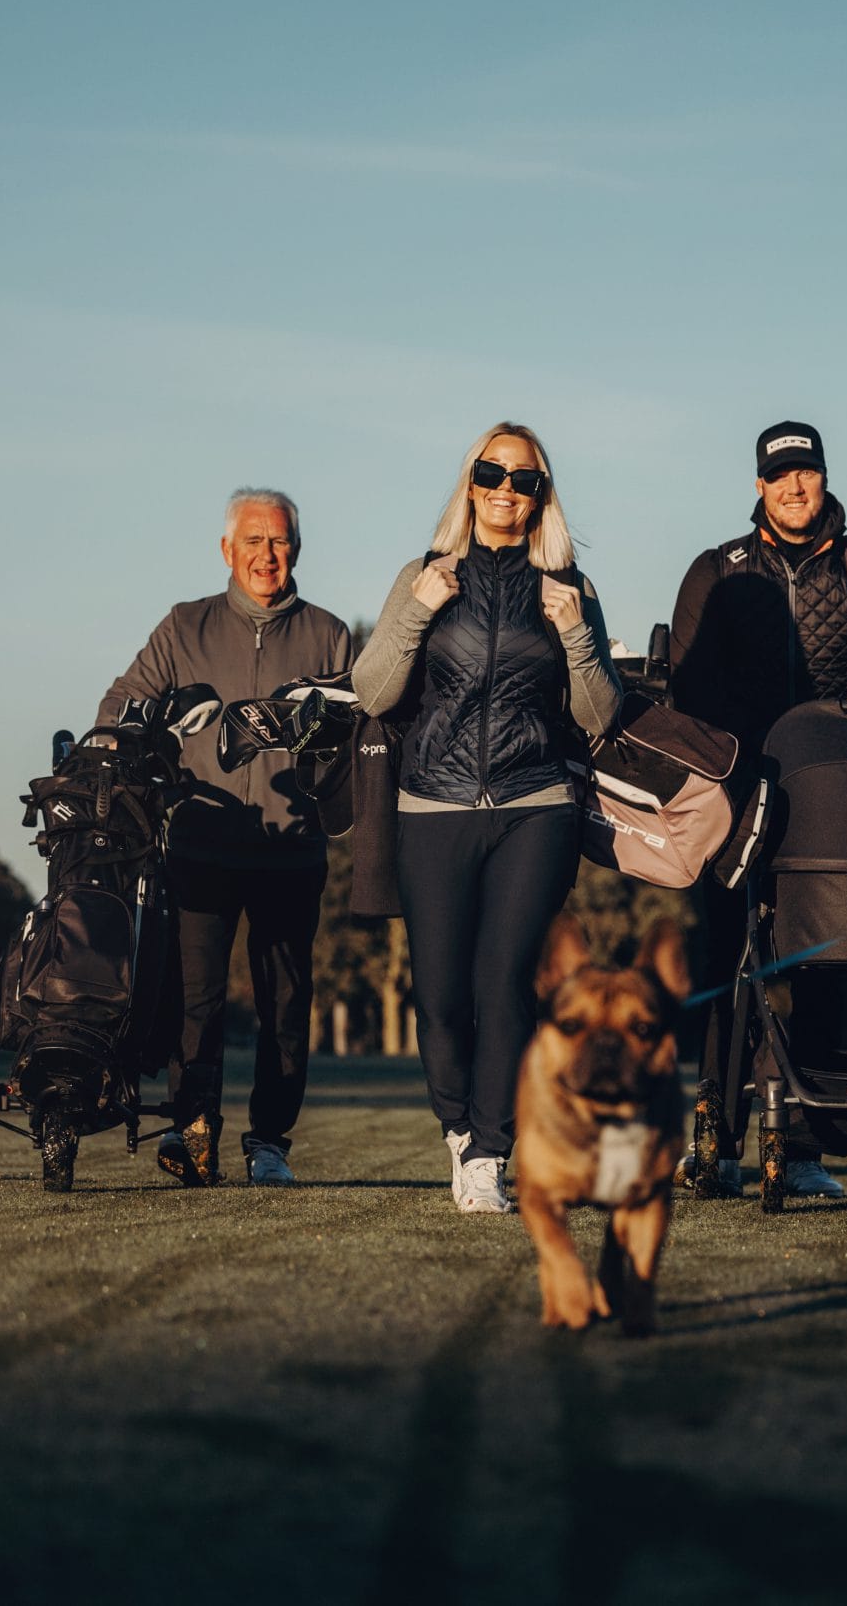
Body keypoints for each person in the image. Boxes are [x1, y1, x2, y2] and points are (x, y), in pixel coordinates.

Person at [351, 422, 623, 1214]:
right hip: (433, 804)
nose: (507, 489)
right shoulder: (424, 574)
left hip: (535, 806)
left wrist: (574, 633)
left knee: (503, 980)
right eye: (492, 473)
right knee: (438, 992)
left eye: (524, 479)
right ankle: (457, 1128)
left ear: (542, 496)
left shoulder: (572, 586)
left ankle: (489, 1155)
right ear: (470, 482)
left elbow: (598, 713)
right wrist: (416, 612)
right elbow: (373, 693)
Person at [668, 419, 847, 1197]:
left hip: (835, 800)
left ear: (824, 478)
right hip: (738, 796)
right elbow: (688, 691)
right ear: (758, 485)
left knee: (828, 963)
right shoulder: (715, 571)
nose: (795, 487)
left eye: (808, 473)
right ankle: (715, 1144)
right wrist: (730, 768)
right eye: (780, 475)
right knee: (727, 964)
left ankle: (808, 1147)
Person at [99, 488, 353, 1188]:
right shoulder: (184, 627)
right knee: (196, 1002)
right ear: (226, 550)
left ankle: (269, 1141)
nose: (266, 555)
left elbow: (353, 742)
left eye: (278, 542)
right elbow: (121, 704)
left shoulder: (330, 634)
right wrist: (122, 744)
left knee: (285, 1006)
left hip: (290, 852)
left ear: (295, 550)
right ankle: (192, 1128)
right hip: (201, 845)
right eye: (253, 541)